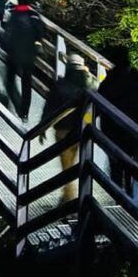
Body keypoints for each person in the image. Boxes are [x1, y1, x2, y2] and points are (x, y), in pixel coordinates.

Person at [41, 53, 100, 203]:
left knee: (67, 168)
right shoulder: (88, 84)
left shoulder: (60, 85)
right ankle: (69, 197)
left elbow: (49, 107)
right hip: (82, 131)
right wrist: (87, 72)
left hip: (63, 131)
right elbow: (99, 92)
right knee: (78, 165)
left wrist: (42, 128)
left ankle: (70, 200)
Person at [99, 47, 138, 203]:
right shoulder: (137, 77)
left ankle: (119, 198)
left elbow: (100, 103)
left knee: (116, 165)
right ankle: (131, 196)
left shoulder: (109, 81)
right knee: (132, 164)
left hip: (113, 130)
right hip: (134, 129)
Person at [1, 0, 44, 122]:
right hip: (29, 54)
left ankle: (7, 105)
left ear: (19, 1)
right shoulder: (34, 16)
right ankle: (24, 113)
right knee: (27, 83)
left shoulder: (13, 14)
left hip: (14, 52)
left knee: (9, 80)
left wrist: (6, 46)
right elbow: (41, 33)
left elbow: (7, 33)